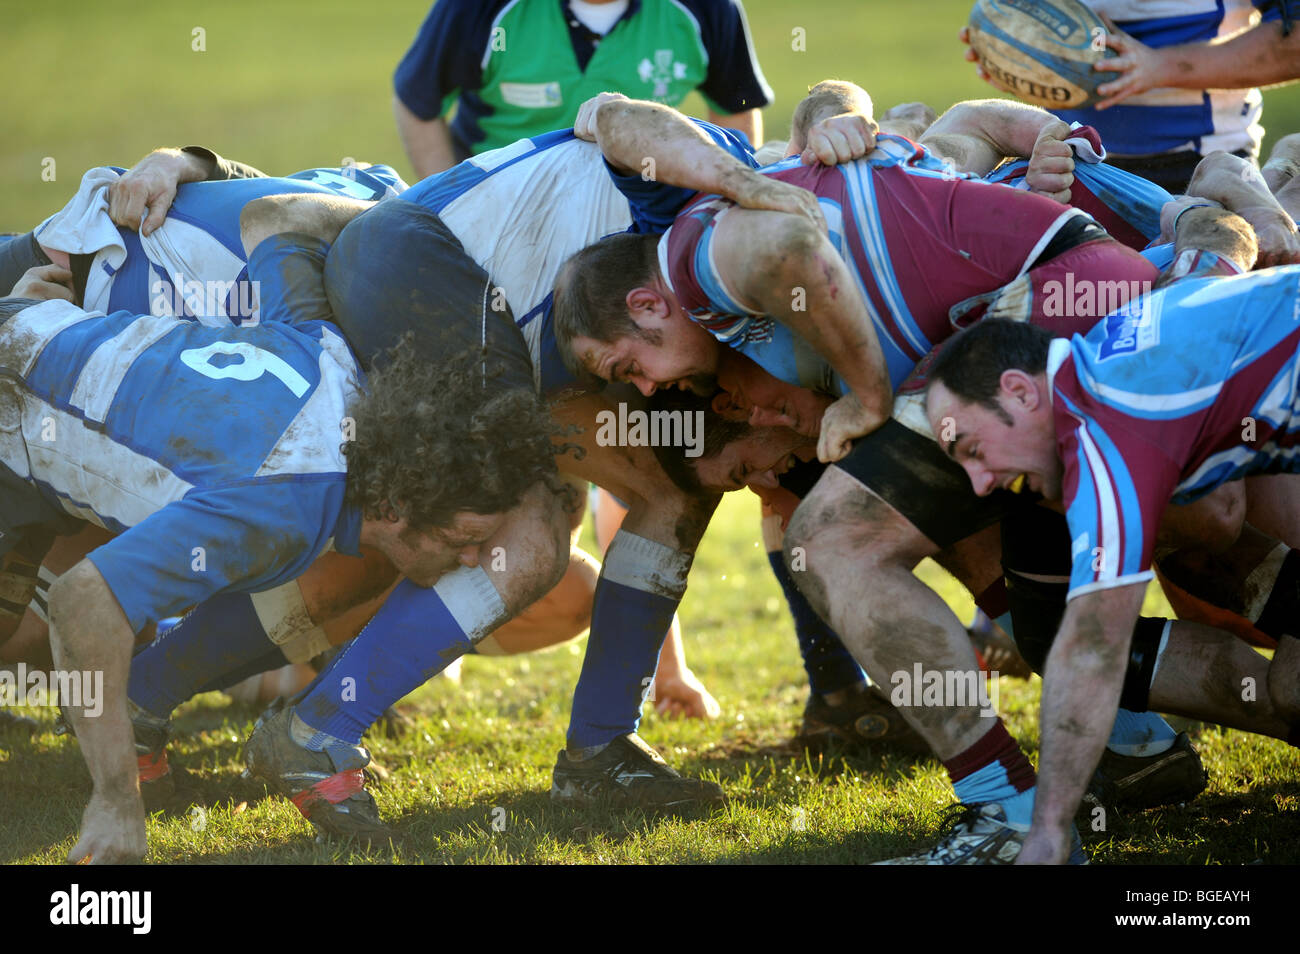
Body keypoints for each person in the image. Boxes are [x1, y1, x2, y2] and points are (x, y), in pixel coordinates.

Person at [0, 288, 571, 864]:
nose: (475, 559)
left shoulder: (335, 359)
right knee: (27, 643)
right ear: (397, 508)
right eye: (464, 541)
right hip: (10, 394)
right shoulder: (285, 508)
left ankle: (140, 704)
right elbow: (84, 600)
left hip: (30, 331)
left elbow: (277, 217)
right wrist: (116, 802)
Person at [925, 263, 1300, 864]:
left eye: (972, 450)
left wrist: (1047, 834)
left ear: (1021, 392)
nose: (979, 482)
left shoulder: (1107, 426)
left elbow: (1093, 649)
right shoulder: (1105, 356)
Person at [392, 0, 772, 178]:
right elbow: (418, 103)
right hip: (498, 191)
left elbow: (734, 107)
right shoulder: (477, 9)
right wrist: (450, 198)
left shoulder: (708, 9)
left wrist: (723, 194)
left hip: (637, 194)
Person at [960, 0, 1300, 192]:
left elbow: (1294, 40)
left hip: (1201, 171)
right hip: (1061, 168)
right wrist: (1021, 61)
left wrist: (1159, 67)